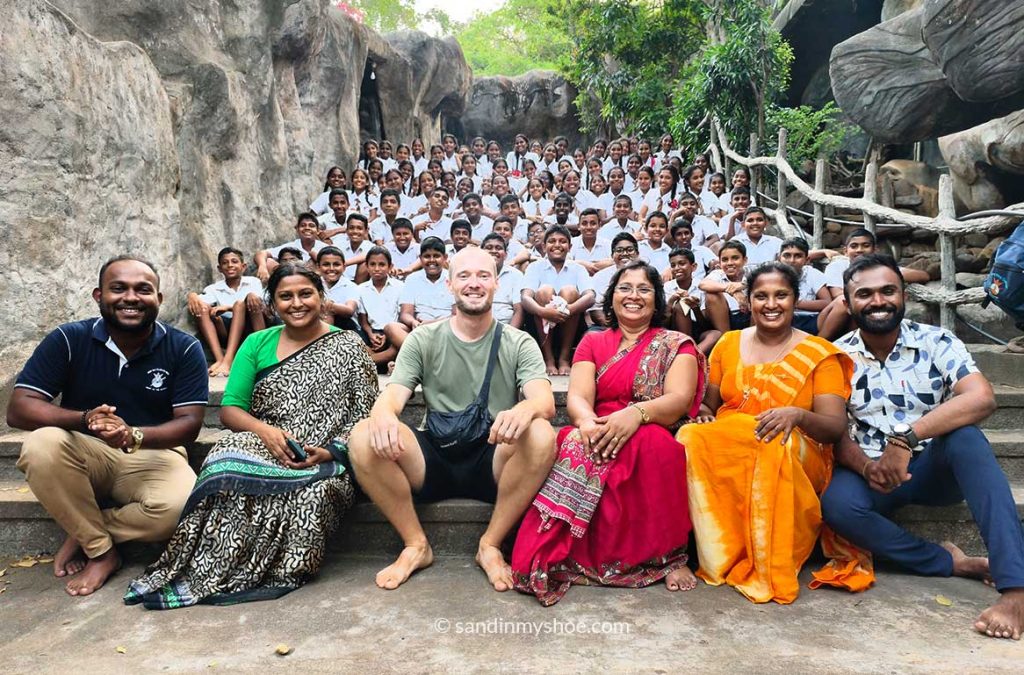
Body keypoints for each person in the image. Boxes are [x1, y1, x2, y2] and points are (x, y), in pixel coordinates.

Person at [125, 265, 377, 609]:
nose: (297, 303)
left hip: (324, 454)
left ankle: (269, 571)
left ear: (322, 297)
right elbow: (231, 411)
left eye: (306, 294)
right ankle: (209, 569)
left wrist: (331, 452)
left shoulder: (349, 345)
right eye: (286, 296)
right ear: (273, 304)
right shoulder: (257, 342)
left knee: (313, 493)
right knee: (223, 460)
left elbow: (364, 413)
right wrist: (266, 431)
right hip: (264, 440)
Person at [815, 254, 1024, 640]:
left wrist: (906, 438)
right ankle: (950, 561)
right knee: (836, 505)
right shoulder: (836, 357)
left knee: (967, 438)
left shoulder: (937, 341)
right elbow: (836, 431)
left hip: (933, 468)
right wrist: (866, 467)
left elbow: (981, 398)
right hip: (871, 473)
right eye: (865, 294)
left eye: (887, 291)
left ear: (904, 295)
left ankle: (1015, 589)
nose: (878, 301)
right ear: (847, 302)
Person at [348, 247, 557, 591]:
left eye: (483, 276)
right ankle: (416, 545)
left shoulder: (519, 342)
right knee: (363, 434)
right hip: (434, 456)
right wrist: (383, 413)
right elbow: (393, 395)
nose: (474, 284)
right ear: (449, 285)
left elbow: (545, 400)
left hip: (494, 458)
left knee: (540, 432)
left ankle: (489, 544)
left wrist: (525, 408)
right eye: (464, 276)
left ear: (496, 286)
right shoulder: (423, 339)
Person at [9, 256, 208, 596]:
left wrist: (133, 434)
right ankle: (101, 552)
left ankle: (84, 529)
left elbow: (189, 425)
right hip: (85, 450)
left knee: (177, 510)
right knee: (42, 444)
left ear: (158, 300)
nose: (130, 297)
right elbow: (19, 409)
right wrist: (84, 419)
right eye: (118, 289)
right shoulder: (68, 339)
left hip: (153, 451)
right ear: (98, 296)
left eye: (143, 289)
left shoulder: (184, 347)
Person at [513, 261, 704, 605]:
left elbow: (678, 399)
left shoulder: (676, 344)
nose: (634, 296)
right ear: (612, 298)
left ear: (657, 301)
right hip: (597, 426)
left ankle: (667, 558)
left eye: (644, 289)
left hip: (652, 423)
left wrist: (635, 414)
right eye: (625, 288)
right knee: (572, 443)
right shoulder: (592, 342)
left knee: (658, 449)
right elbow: (578, 397)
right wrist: (586, 422)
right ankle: (574, 557)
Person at [676, 262, 852, 604]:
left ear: (795, 299)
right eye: (761, 296)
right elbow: (710, 405)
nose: (771, 304)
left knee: (773, 444)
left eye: (781, 295)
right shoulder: (727, 343)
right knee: (689, 438)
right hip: (732, 436)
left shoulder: (819, 354)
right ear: (748, 302)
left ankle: (766, 554)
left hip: (797, 447)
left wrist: (797, 414)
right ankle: (719, 555)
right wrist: (703, 417)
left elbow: (833, 427)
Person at [521, 225, 596, 375]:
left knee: (569, 291)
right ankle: (548, 359)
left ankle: (564, 358)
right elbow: (525, 297)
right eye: (552, 241)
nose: (557, 245)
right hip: (541, 323)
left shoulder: (578, 268)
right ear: (544, 245)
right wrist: (544, 311)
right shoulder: (535, 267)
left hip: (571, 321)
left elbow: (590, 296)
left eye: (562, 241)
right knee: (545, 291)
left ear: (570, 246)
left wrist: (567, 310)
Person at [187, 247, 263, 377]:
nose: (230, 265)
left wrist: (228, 308)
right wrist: (192, 296)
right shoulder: (214, 289)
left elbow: (259, 304)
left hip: (252, 329)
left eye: (234, 261)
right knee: (202, 308)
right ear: (219, 268)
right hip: (227, 332)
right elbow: (201, 302)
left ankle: (234, 359)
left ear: (243, 266)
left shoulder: (253, 282)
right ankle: (220, 359)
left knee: (241, 304)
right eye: (225, 263)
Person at [385, 237, 454, 350]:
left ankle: (420, 355)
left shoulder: (453, 278)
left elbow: (456, 316)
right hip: (420, 329)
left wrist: (431, 324)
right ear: (420, 259)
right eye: (427, 256)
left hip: (446, 328)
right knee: (391, 328)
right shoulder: (412, 279)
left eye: (436, 256)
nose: (431, 260)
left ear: (445, 258)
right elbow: (405, 314)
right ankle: (424, 354)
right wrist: (413, 322)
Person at [665, 248, 721, 355]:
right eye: (673, 265)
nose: (677, 268)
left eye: (682, 264)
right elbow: (664, 322)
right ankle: (686, 349)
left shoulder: (702, 286)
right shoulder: (667, 287)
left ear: (693, 267)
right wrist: (672, 301)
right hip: (675, 331)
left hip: (696, 329)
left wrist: (695, 308)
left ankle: (691, 354)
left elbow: (704, 325)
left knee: (716, 334)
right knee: (681, 306)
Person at [357, 246, 404, 369]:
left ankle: (365, 364)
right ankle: (388, 363)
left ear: (390, 266)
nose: (377, 269)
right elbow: (363, 318)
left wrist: (387, 336)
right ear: (367, 266)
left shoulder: (400, 287)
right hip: (372, 333)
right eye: (372, 264)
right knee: (359, 344)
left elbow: (402, 317)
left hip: (393, 333)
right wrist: (371, 334)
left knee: (396, 346)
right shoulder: (361, 289)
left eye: (382, 264)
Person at [255, 212, 327, 282]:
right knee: (269, 262)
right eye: (303, 225)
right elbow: (261, 253)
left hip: (316, 281)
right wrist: (262, 267)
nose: (307, 228)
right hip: (290, 281)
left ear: (318, 231)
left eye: (311, 226)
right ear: (297, 230)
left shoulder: (324, 248)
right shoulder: (292, 246)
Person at [778, 238, 829, 335]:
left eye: (798, 256)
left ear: (807, 260)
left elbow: (826, 302)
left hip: (810, 319)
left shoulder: (812, 274)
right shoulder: (772, 275)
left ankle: (819, 342)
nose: (792, 260)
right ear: (779, 258)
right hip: (780, 318)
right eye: (787, 256)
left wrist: (793, 303)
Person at [701, 241, 750, 332]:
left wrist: (742, 285)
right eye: (725, 259)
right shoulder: (718, 274)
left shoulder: (751, 272)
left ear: (744, 260)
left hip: (750, 318)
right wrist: (733, 290)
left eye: (735, 258)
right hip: (726, 320)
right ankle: (727, 339)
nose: (729, 263)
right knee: (712, 295)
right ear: (719, 263)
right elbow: (703, 284)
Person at [482, 233, 526, 329]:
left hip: (506, 327)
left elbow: (519, 310)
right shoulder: (473, 274)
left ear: (505, 255)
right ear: (481, 253)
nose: (494, 251)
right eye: (489, 247)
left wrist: (509, 337)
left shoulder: (516, 275)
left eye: (498, 248)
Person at [569, 208, 612, 276]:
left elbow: (615, 262)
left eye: (593, 223)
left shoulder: (608, 244)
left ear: (599, 225)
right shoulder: (571, 243)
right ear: (578, 226)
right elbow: (565, 262)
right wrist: (582, 264)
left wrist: (588, 265)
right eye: (584, 223)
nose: (588, 227)